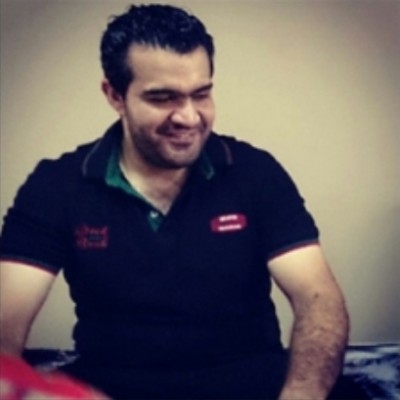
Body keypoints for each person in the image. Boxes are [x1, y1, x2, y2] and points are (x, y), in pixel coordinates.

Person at [0, 4, 351, 399]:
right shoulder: (56, 185)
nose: (189, 117)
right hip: (111, 390)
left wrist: (301, 393)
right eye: (163, 98)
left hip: (248, 385)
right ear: (114, 95)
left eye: (201, 94)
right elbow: (5, 322)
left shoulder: (255, 172)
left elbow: (318, 298)